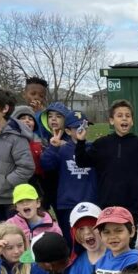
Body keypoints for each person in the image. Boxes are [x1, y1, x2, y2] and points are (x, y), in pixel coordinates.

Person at [73, 99, 138, 233]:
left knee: (129, 240)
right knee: (109, 240)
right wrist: (81, 142)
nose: (124, 118)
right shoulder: (101, 144)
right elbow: (82, 162)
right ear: (111, 121)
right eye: (120, 115)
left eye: (127, 116)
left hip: (132, 206)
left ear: (132, 121)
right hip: (107, 205)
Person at [40, 102, 96, 242]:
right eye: (77, 127)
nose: (81, 130)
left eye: (84, 126)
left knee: (92, 237)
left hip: (91, 201)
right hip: (68, 203)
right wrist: (52, 148)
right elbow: (46, 165)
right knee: (71, 239)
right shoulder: (62, 149)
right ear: (68, 131)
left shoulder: (93, 149)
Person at [0, 88, 35, 223]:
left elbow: (26, 168)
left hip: (11, 201)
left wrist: (5, 184)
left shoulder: (16, 137)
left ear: (4, 109)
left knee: (14, 239)